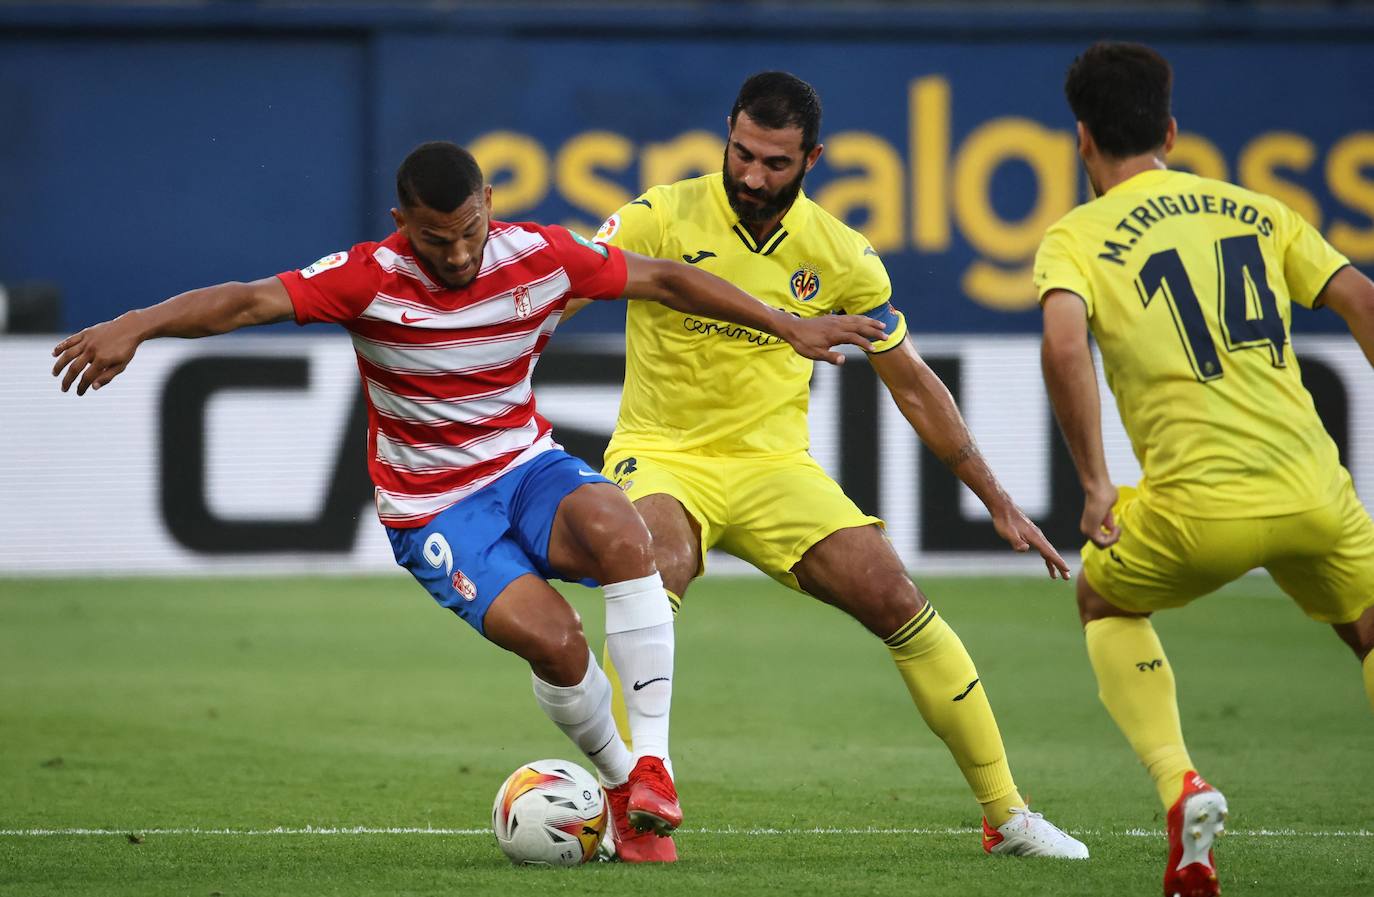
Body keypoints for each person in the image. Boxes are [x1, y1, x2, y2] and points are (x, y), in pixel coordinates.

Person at [50, 140, 886, 864]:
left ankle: (654, 768)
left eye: (469, 232)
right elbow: (243, 299)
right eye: (433, 238)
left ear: (492, 203)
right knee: (556, 643)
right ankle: (628, 786)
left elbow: (666, 278)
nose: (455, 255)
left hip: (525, 466)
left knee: (623, 532)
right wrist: (138, 322)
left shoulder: (541, 255)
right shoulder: (366, 277)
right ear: (401, 221)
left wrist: (788, 324)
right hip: (434, 507)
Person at [574, 72, 1088, 862]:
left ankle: (1008, 813)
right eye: (741, 153)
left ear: (813, 157)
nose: (751, 176)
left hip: (776, 467)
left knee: (896, 595)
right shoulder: (659, 215)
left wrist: (998, 498)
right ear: (727, 132)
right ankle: (636, 795)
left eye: (775, 163)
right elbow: (566, 286)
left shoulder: (843, 257)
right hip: (666, 455)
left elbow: (912, 383)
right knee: (653, 561)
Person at [1036, 42, 1374, 897]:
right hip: (1315, 491)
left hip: (1197, 509)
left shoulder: (1076, 235)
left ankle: (1180, 782)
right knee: (1367, 626)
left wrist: (1095, 483)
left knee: (1102, 597)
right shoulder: (1258, 209)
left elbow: (1063, 343)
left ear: (1083, 140)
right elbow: (1363, 301)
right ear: (1172, 132)